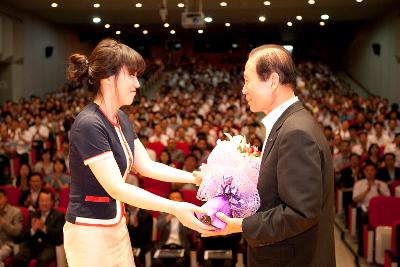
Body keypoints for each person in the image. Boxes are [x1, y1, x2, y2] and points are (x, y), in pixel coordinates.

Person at [64, 38, 213, 267]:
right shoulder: (89, 124)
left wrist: (194, 177)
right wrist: (174, 208)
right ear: (108, 78)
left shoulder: (120, 118)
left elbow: (147, 167)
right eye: (131, 75)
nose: (138, 84)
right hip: (89, 232)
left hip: (115, 225)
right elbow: (117, 187)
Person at [204, 44, 336, 266]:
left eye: (247, 80)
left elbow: (301, 212)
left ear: (272, 81)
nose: (244, 89)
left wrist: (242, 225)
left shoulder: (295, 132)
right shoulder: (289, 124)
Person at [11, 189, 65, 267]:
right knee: (17, 258)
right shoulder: (33, 215)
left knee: (42, 261)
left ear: (52, 202)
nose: (44, 203)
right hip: (32, 245)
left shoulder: (59, 215)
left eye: (47, 201)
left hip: (48, 246)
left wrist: (44, 228)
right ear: (38, 202)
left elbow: (59, 233)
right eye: (41, 201)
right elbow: (24, 234)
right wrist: (32, 230)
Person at [0, 189, 23, 267]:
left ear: (6, 198)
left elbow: (18, 232)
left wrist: (4, 224)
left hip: (7, 244)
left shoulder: (16, 212)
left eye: (0, 198)